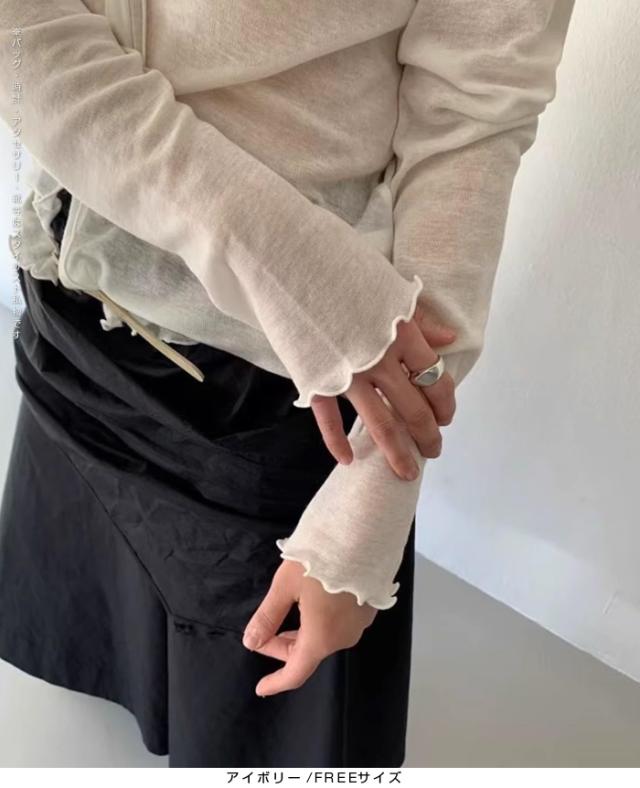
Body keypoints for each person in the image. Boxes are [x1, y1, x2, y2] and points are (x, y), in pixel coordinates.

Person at [0, 0, 576, 768]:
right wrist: (287, 269)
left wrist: (366, 512)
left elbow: (471, 124)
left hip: (275, 383)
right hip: (74, 299)